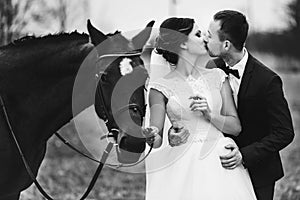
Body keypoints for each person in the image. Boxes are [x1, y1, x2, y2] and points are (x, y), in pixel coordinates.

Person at [143, 17, 257, 200]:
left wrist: (209, 114)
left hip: (220, 161)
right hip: (181, 164)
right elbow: (156, 139)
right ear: (182, 44)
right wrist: (154, 135)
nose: (204, 38)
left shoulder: (218, 77)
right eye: (197, 34)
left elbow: (235, 127)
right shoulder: (159, 88)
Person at [203, 10, 294, 200]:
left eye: (209, 35)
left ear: (226, 44)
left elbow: (285, 132)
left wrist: (244, 155)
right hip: (219, 168)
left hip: (258, 173)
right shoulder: (211, 68)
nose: (205, 38)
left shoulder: (268, 80)